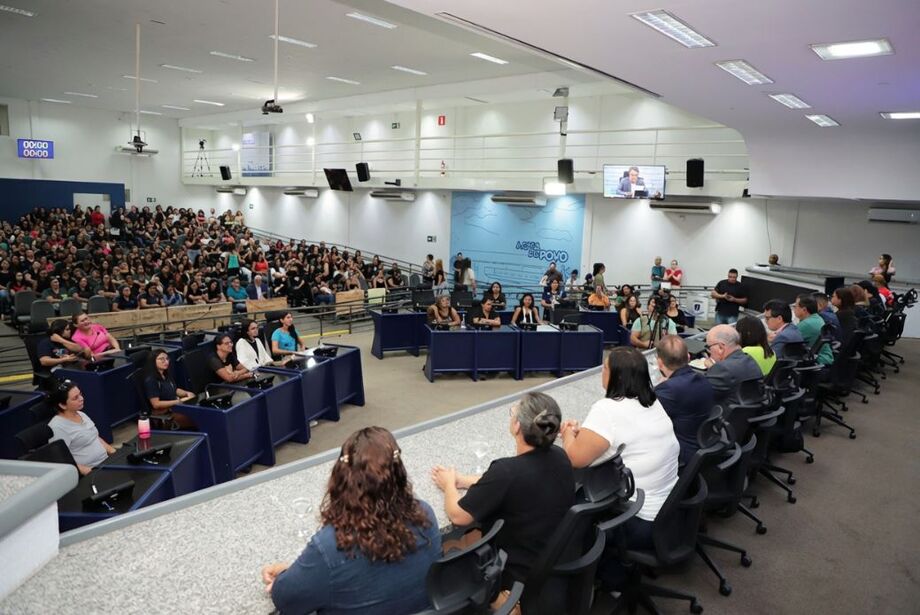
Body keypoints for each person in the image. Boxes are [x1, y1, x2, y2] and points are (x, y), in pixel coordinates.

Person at [262, 427, 440, 615]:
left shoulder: (330, 546)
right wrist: (304, 571)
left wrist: (288, 576)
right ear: (398, 474)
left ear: (341, 479)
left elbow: (286, 600)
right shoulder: (425, 514)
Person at [559, 347, 679, 585]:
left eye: (604, 368)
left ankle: (593, 581)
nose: (601, 372)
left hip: (637, 520)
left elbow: (574, 458)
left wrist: (566, 434)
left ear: (616, 376)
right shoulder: (652, 401)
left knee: (568, 507)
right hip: (671, 513)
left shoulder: (608, 409)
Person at [431, 392, 575, 589]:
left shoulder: (507, 471)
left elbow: (458, 516)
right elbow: (500, 482)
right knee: (468, 538)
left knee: (445, 548)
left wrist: (448, 484)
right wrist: (464, 481)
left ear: (517, 426)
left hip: (512, 571)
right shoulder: (560, 456)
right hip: (547, 560)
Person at [654, 335, 714, 467]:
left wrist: (658, 388)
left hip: (682, 456)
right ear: (688, 357)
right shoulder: (703, 379)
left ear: (659, 363)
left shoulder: (667, 391)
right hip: (703, 446)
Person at [48, 380, 116, 475]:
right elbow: (64, 462)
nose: (81, 398)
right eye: (75, 398)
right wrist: (94, 474)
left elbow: (94, 437)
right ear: (62, 405)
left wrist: (115, 453)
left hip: (105, 462)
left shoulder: (80, 414)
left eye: (80, 394)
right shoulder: (57, 428)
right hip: (91, 472)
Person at [703, 325, 763, 406]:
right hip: (749, 414)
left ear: (721, 347)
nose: (709, 351)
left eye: (708, 347)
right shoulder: (750, 360)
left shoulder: (722, 369)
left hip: (726, 416)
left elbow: (700, 396)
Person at [144, 349, 196, 429]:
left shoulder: (165, 374)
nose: (166, 361)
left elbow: (174, 389)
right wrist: (179, 401)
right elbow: (156, 404)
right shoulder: (151, 380)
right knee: (197, 418)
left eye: (167, 359)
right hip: (165, 414)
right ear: (153, 361)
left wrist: (187, 393)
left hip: (174, 408)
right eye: (162, 359)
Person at [794, 294, 834, 366]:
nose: (794, 308)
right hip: (822, 359)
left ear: (804, 310)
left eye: (796, 306)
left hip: (818, 362)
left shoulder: (806, 324)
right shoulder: (817, 318)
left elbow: (786, 340)